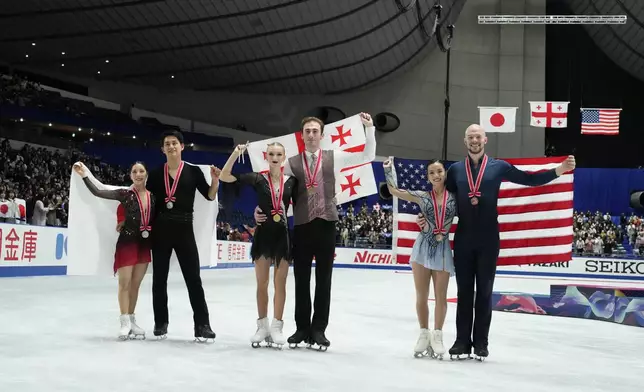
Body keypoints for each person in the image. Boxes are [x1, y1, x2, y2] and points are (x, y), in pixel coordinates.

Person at [416, 124, 576, 360]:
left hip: (489, 238)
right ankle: (461, 341)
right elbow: (441, 198)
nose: (474, 140)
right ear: (465, 140)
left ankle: (481, 342)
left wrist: (559, 170)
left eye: (478, 136)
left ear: (485, 139)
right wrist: (425, 217)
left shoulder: (498, 166)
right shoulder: (456, 171)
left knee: (484, 292)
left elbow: (528, 179)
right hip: (463, 239)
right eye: (470, 137)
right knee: (464, 292)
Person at [254, 113, 376, 350]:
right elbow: (271, 184)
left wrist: (369, 129)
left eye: (315, 131)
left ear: (322, 135)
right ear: (302, 135)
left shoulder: (334, 157)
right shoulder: (290, 162)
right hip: (301, 225)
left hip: (327, 223)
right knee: (301, 279)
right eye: (307, 131)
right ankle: (301, 328)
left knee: (324, 279)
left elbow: (367, 156)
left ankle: (318, 329)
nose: (311, 135)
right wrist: (259, 209)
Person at [219, 141, 298, 348]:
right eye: (271, 153)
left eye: (278, 154)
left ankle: (277, 327)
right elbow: (225, 176)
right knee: (262, 283)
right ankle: (262, 326)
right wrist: (236, 153)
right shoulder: (258, 178)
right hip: (263, 235)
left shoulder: (291, 182)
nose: (274, 157)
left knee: (280, 284)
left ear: (283, 157)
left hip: (282, 237)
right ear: (266, 156)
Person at [145, 130, 220, 341]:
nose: (171, 146)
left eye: (174, 143)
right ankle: (160, 322)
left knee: (193, 279)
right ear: (162, 149)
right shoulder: (155, 174)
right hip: (160, 229)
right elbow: (147, 200)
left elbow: (209, 196)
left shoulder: (194, 172)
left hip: (185, 229)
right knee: (159, 279)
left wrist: (214, 181)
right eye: (167, 144)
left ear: (182, 146)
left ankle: (202, 325)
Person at [383, 158, 455, 359]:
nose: (436, 175)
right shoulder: (422, 197)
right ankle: (424, 333)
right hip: (422, 249)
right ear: (428, 177)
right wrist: (389, 171)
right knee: (421, 295)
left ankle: (438, 334)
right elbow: (395, 191)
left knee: (441, 295)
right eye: (432, 172)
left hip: (442, 250)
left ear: (445, 173)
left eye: (439, 171)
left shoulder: (454, 199)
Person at [73, 161, 154, 340]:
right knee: (124, 283)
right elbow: (98, 192)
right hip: (127, 242)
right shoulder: (124, 194)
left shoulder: (153, 197)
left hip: (144, 244)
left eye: (141, 171)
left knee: (136, 284)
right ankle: (124, 322)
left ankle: (132, 320)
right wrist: (85, 175)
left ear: (146, 174)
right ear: (131, 176)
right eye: (134, 171)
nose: (138, 174)